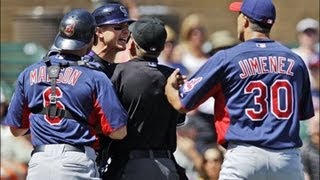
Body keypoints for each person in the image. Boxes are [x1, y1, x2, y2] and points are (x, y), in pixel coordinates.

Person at [165, 0, 315, 179]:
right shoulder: (296, 61)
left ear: (244, 20)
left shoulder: (227, 58)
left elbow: (182, 103)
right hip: (286, 159)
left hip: (245, 157)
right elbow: (304, 114)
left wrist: (169, 87)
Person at [2, 9, 128, 179]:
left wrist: (43, 122)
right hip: (76, 161)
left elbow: (16, 129)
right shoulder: (95, 77)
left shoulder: (29, 73)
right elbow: (118, 131)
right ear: (92, 38)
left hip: (39, 162)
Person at [104, 16, 187, 180]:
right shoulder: (173, 76)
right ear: (163, 46)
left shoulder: (117, 72)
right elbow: (180, 121)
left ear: (133, 43)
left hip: (130, 166)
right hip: (167, 165)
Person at [90, 3, 134, 78]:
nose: (126, 32)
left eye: (127, 27)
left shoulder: (118, 70)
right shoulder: (84, 66)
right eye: (118, 27)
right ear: (99, 32)